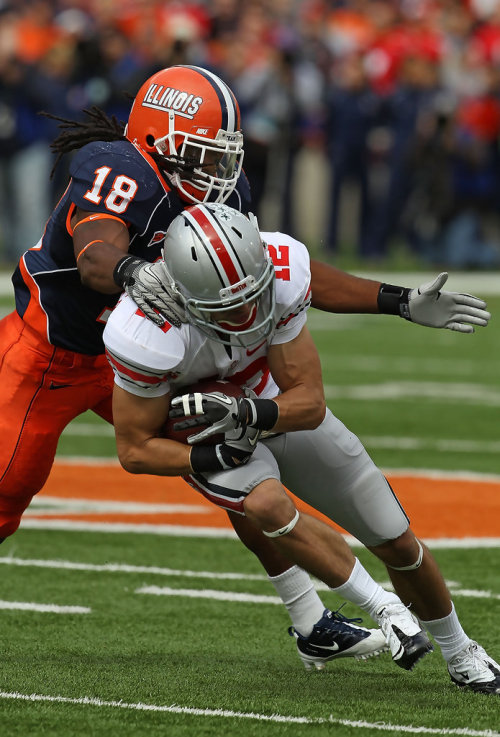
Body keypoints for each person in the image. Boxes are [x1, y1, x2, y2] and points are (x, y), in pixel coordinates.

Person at [0, 65, 492, 673]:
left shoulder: (221, 198)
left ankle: (312, 620)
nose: (218, 172)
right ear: (161, 141)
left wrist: (399, 300)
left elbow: (284, 270)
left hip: (163, 361)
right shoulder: (122, 166)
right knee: (7, 483)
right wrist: (131, 271)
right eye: (203, 155)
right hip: (57, 349)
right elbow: (96, 247)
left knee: (235, 465)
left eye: (222, 156)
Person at [103, 202, 500, 695]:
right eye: (231, 307)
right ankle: (384, 609)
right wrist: (206, 457)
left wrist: (251, 413)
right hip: (204, 433)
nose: (249, 311)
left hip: (267, 402)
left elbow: (308, 403)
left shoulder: (281, 267)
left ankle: (461, 651)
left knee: (395, 537)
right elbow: (135, 449)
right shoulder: (143, 331)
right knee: (267, 504)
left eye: (254, 293)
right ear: (185, 298)